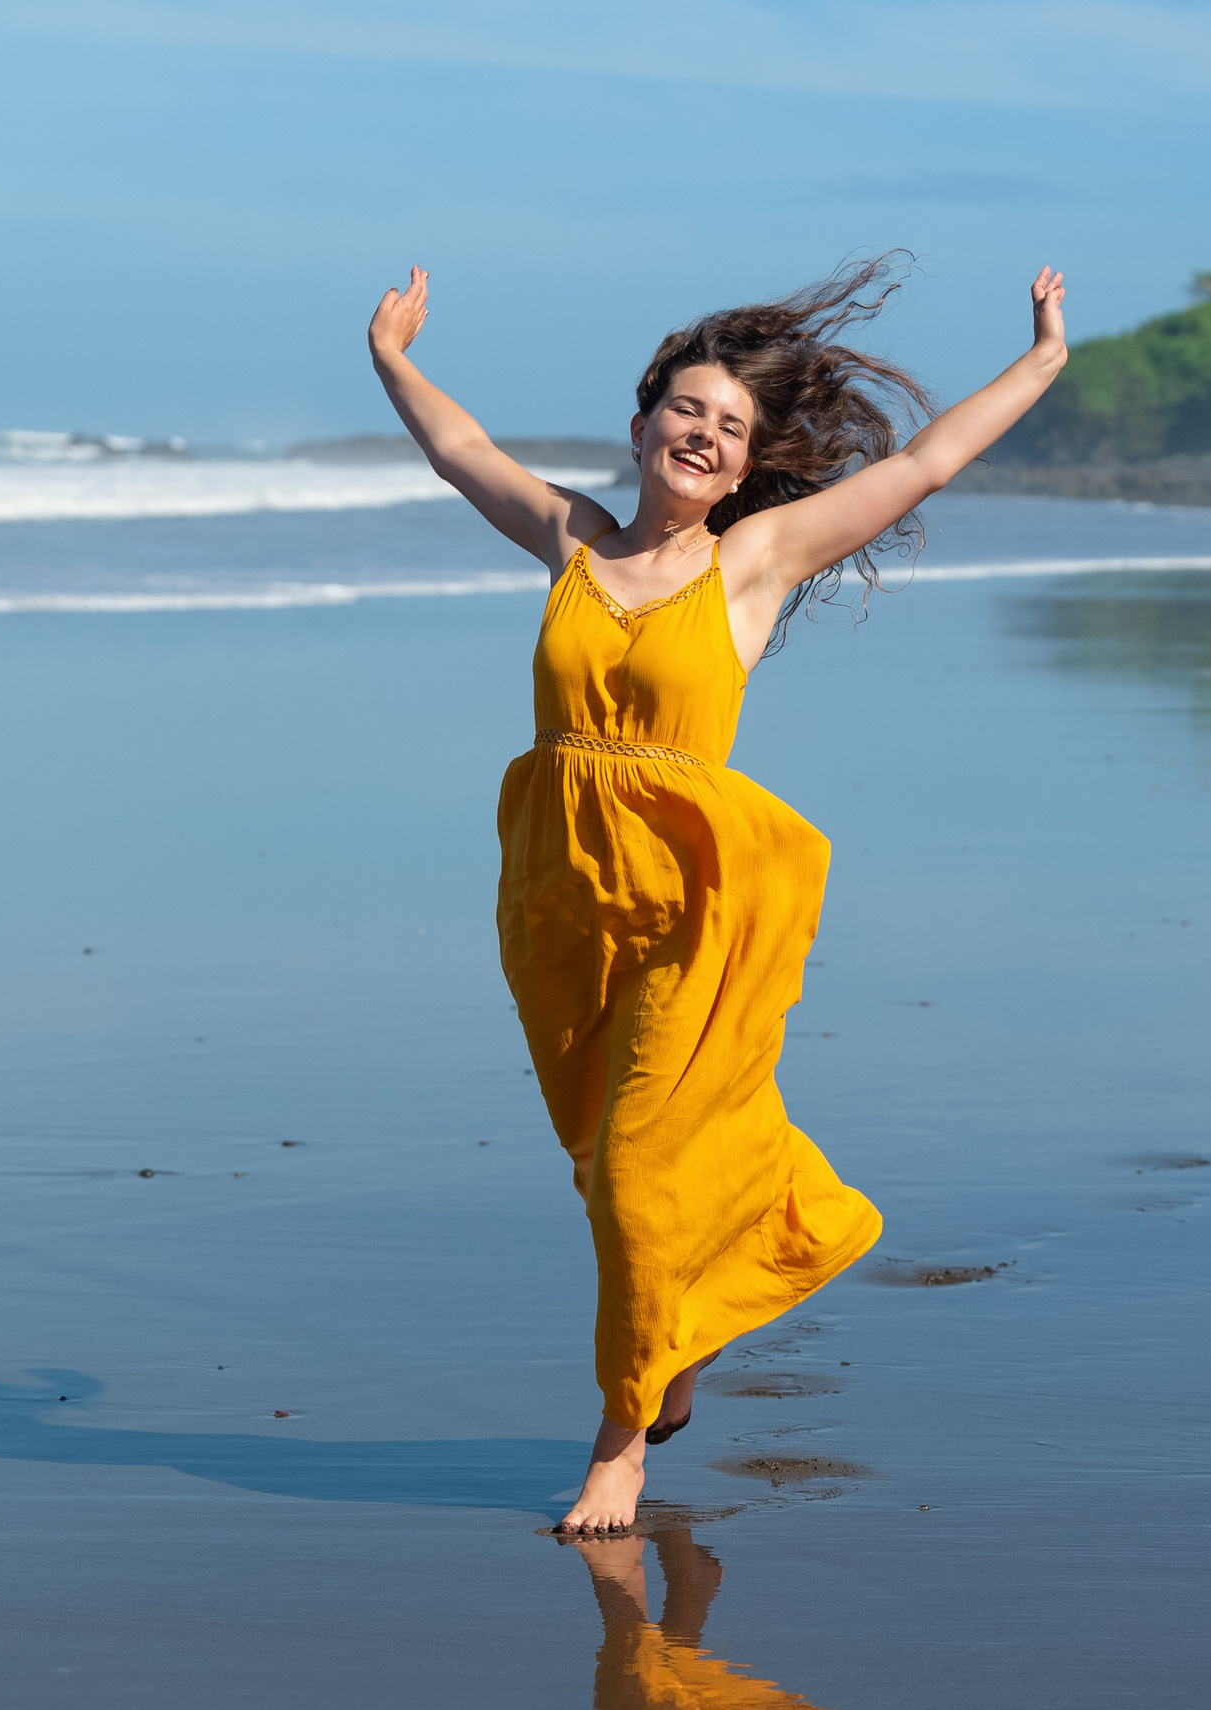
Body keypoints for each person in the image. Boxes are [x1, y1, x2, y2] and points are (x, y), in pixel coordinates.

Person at [367, 255, 1069, 1533]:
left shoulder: (751, 563)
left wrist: (1039, 364)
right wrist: (394, 359)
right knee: (606, 1164)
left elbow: (914, 471)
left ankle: (619, 1443)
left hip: (697, 907)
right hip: (562, 900)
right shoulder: (570, 538)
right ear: (641, 429)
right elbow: (460, 451)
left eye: (730, 429)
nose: (704, 435)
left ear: (747, 469)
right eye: (687, 412)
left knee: (639, 1165)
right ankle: (683, 1332)